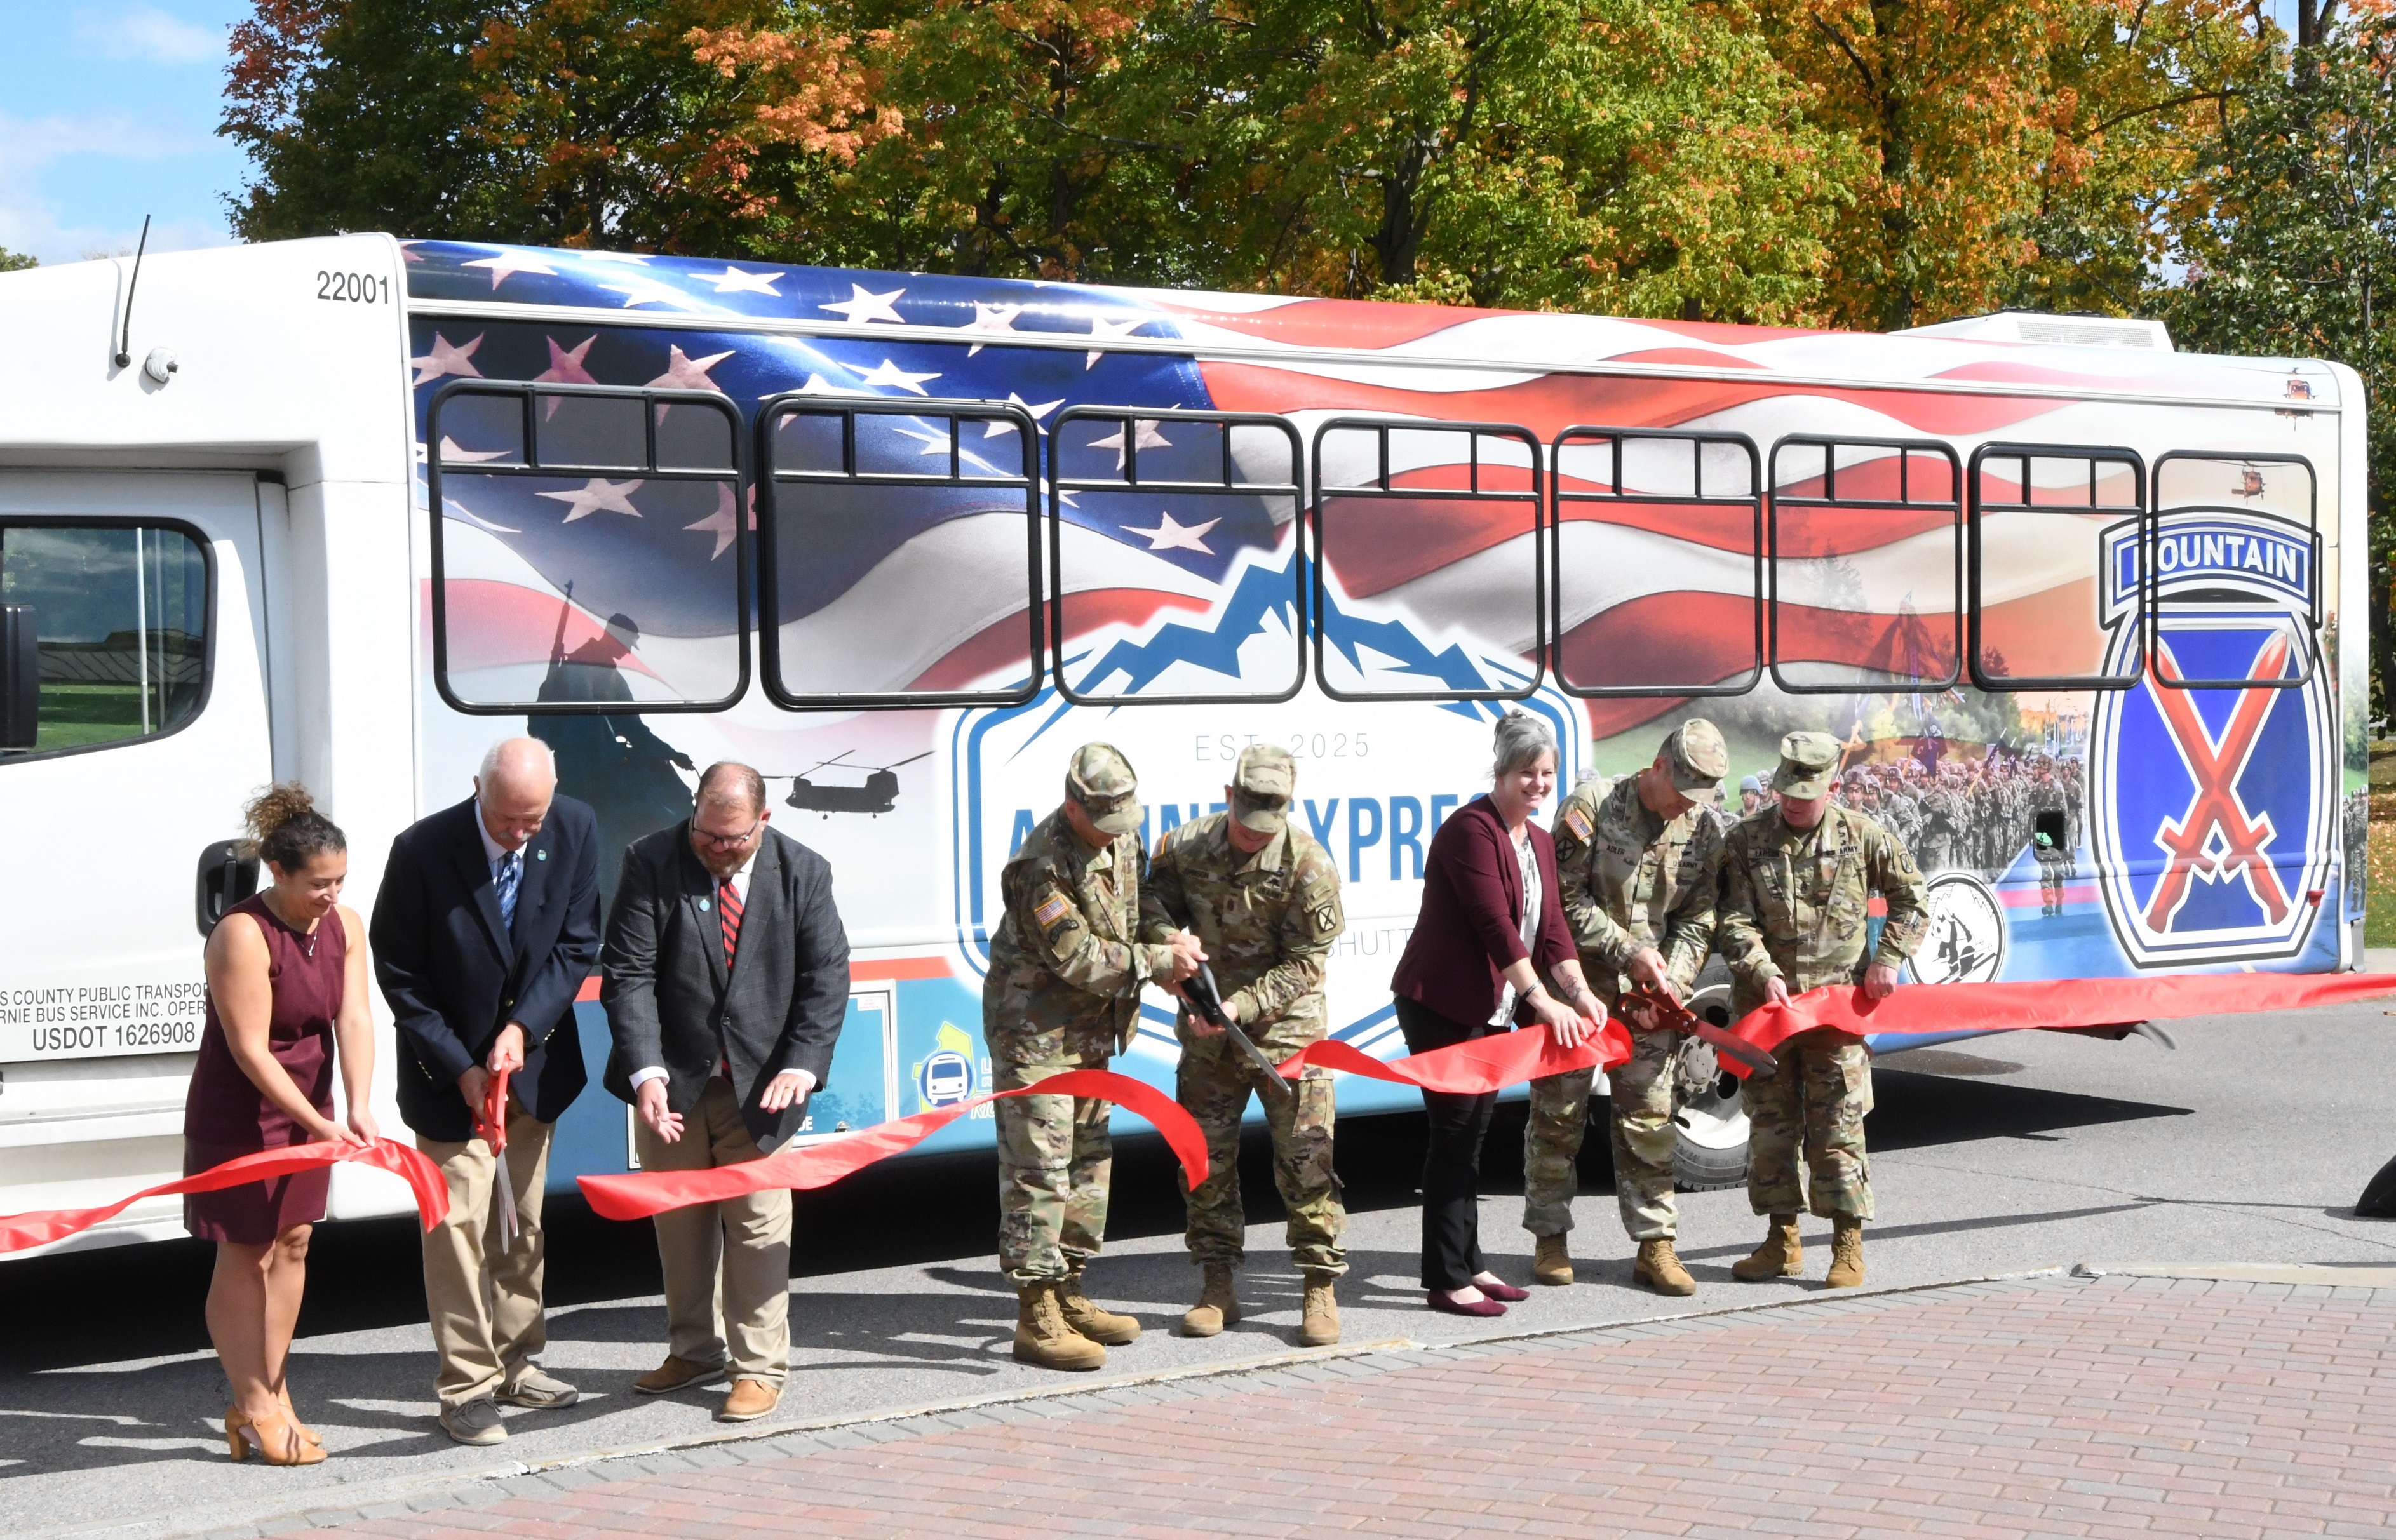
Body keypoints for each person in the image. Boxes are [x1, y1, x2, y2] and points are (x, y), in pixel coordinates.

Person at [601, 762, 850, 1423]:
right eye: (705, 833)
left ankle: (758, 1367)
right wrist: (647, 1071)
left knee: (758, 1227)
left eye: (732, 838)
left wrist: (803, 1064)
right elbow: (628, 973)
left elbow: (827, 976)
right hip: (674, 1084)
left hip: (763, 1089)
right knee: (679, 1225)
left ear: (763, 821)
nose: (716, 847)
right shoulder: (650, 861)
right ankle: (695, 1350)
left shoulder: (804, 872)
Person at [370, 738, 600, 1445]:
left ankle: (517, 1360)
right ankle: (466, 1387)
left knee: (520, 1224)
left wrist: (523, 1029)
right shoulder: (421, 850)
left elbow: (577, 944)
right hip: (448, 1079)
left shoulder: (575, 825)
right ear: (478, 789)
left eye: (533, 819)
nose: (522, 834)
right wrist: (461, 1066)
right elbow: (400, 971)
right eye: (507, 821)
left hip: (533, 1068)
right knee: (455, 1233)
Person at [983, 743, 1204, 1370]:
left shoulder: (1120, 834)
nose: (1116, 832)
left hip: (1090, 1032)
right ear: (1072, 806)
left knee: (1088, 1163)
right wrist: (1159, 963)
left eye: (1123, 819)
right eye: (1103, 820)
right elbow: (1078, 958)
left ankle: (1068, 1291)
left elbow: (1140, 905)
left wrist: (1166, 936)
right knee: (1039, 1172)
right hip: (1036, 1036)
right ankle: (1035, 1317)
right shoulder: (1041, 866)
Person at [1387, 711, 1606, 1317]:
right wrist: (1542, 1001)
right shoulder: (1471, 830)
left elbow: (1552, 928)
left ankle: (1469, 1261)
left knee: (1474, 1135)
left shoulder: (1539, 840)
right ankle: (1446, 1278)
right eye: (1527, 772)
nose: (1539, 784)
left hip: (1493, 1005)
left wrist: (1580, 991)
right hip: (1442, 1004)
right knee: (1454, 1135)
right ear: (1502, 772)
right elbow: (1494, 925)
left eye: (1547, 773)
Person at [186, 786, 375, 1466]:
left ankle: (273, 1389)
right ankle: (253, 1402)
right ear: (278, 872)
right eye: (318, 883)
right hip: (243, 1110)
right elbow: (249, 1050)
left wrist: (357, 1104)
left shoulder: (345, 925)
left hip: (310, 1104)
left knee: (294, 1242)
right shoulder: (241, 932)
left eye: (340, 880)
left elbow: (354, 1016)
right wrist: (317, 1122)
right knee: (247, 1250)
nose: (332, 893)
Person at [1141, 745, 1347, 1346]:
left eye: (1268, 825)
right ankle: (1217, 1284)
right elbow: (1149, 904)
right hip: (1208, 1038)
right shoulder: (1185, 847)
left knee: (1308, 1161)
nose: (1255, 835)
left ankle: (1318, 1285)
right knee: (1203, 1162)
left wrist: (1238, 1007)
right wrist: (1171, 945)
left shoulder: (1309, 864)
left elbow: (1305, 963)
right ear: (1228, 795)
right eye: (1246, 821)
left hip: (1288, 1036)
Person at [1715, 730, 1928, 1289]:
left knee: (1838, 1129)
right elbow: (1733, 919)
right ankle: (1781, 1240)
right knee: (1770, 1129)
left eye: (1805, 795)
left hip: (1836, 1013)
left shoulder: (1863, 835)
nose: (1792, 802)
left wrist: (1889, 958)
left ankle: (1846, 1243)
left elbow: (1913, 897)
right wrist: (1762, 970)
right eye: (1787, 791)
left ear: (1832, 788)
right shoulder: (1745, 840)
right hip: (1769, 1012)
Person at [1537, 720, 1726, 1295]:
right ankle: (1550, 1235)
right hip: (1579, 990)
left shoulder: (1701, 827)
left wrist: (1672, 986)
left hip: (1649, 999)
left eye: (1699, 797)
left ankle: (1655, 1244)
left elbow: (1698, 918)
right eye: (1682, 791)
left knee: (1649, 1117)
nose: (1686, 806)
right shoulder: (1592, 807)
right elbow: (1562, 901)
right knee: (1559, 1116)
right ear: (1658, 765)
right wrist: (1629, 953)